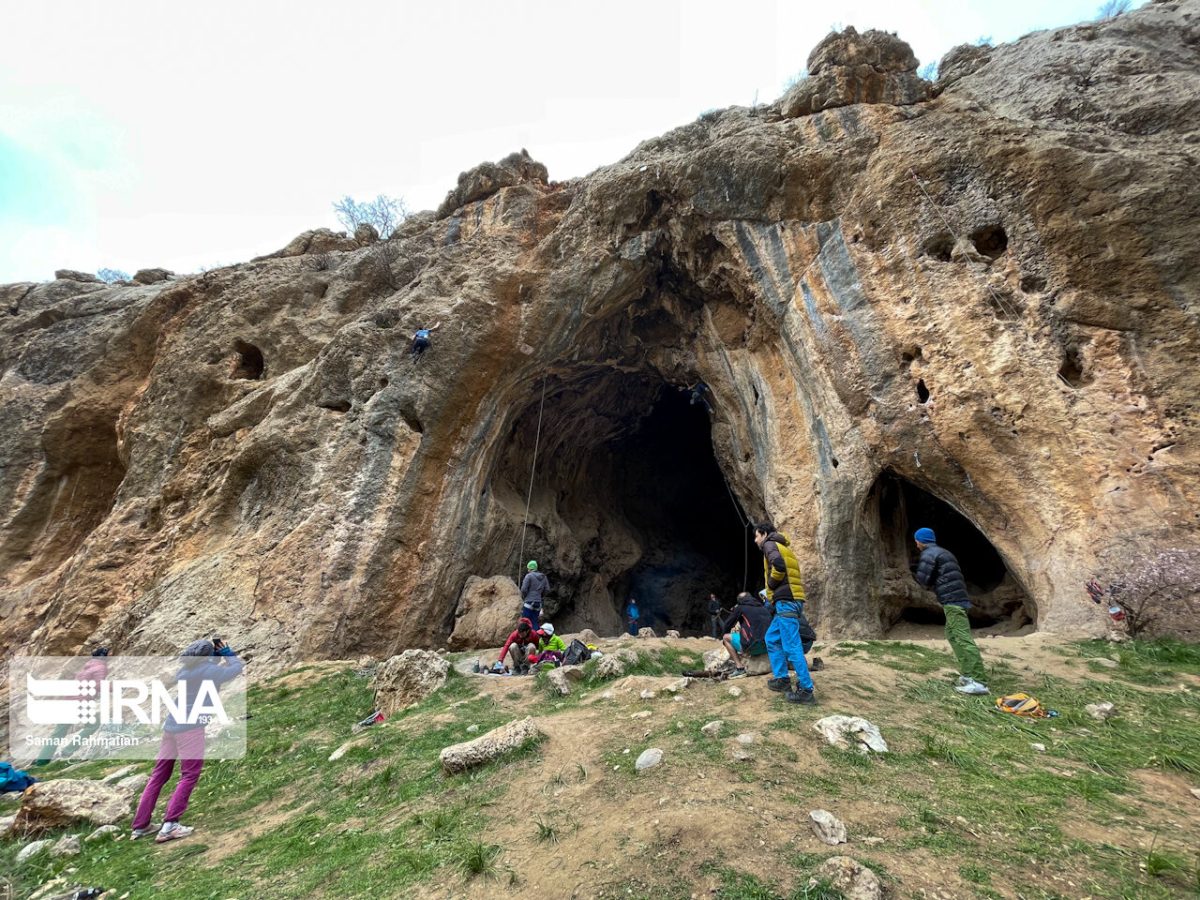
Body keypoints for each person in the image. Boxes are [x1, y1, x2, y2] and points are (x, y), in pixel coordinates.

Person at [131, 637, 244, 843]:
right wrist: (227, 653)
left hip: (171, 726)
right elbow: (235, 669)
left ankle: (141, 826)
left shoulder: (185, 671)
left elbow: (206, 668)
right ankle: (170, 826)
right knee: (189, 774)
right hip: (190, 728)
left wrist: (213, 657)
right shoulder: (208, 671)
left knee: (158, 775)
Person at [913, 527, 989, 695]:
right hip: (957, 599)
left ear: (919, 541)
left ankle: (979, 681)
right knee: (952, 635)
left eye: (916, 541)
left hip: (952, 602)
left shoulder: (929, 554)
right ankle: (968, 674)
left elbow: (923, 580)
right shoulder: (944, 552)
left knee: (963, 638)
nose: (916, 544)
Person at [756, 522, 817, 704]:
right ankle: (782, 679)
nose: (755, 540)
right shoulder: (783, 546)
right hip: (791, 601)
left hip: (786, 602)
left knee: (791, 646)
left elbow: (779, 567)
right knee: (772, 638)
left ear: (764, 533)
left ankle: (806, 690)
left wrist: (771, 588)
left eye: (756, 536)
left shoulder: (769, 544)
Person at [35, 647, 109, 766]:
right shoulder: (101, 667)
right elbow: (98, 685)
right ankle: (67, 751)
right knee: (93, 724)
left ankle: (42, 760)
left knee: (58, 732)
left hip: (69, 700)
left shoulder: (87, 667)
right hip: (81, 702)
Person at [720, 592, 773, 678]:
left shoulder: (741, 608)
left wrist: (723, 639)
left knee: (726, 638)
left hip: (754, 646)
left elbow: (727, 624)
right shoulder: (764, 608)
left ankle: (740, 668)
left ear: (739, 601)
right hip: (769, 646)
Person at [520, 561, 550, 629]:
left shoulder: (529, 576)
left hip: (528, 602)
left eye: (528, 568)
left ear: (530, 568)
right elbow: (547, 589)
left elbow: (524, 589)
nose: (528, 570)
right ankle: (536, 638)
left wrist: (525, 596)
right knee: (535, 622)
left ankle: (527, 639)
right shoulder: (543, 577)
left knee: (525, 622)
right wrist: (540, 595)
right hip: (538, 603)